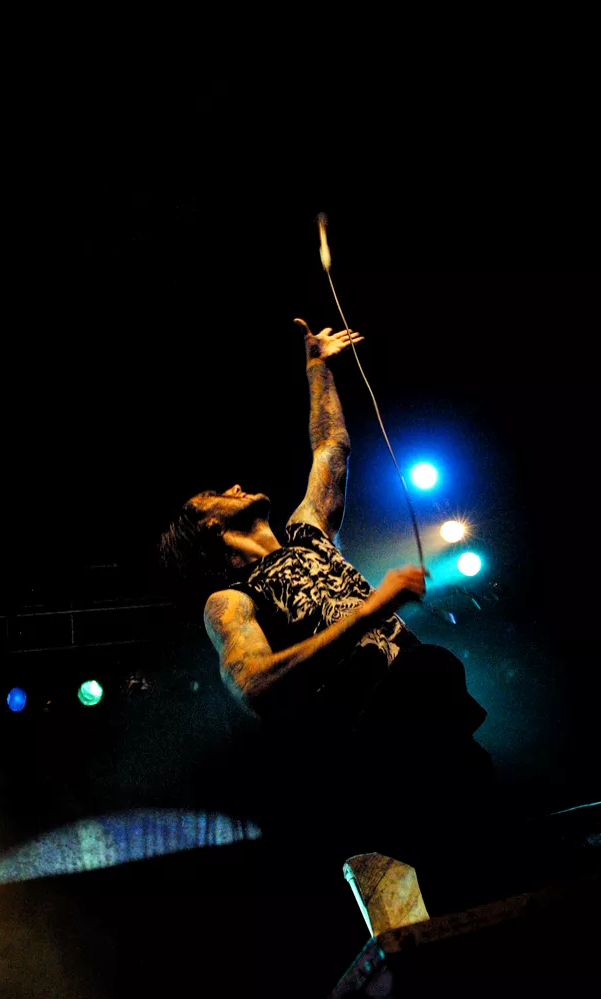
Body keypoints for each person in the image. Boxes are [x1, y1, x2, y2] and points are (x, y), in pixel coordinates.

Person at [158, 319, 497, 921]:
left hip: (433, 723)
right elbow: (253, 684)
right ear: (209, 525)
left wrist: (317, 366)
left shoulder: (307, 532)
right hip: (373, 742)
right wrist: (372, 610)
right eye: (217, 493)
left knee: (489, 849)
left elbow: (330, 447)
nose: (234, 484)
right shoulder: (230, 600)